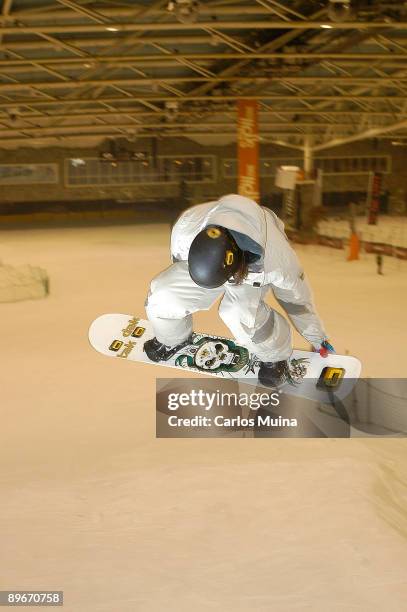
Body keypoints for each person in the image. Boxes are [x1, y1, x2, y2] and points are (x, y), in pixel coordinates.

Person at [144, 193, 334, 386]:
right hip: (207, 262)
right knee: (163, 296)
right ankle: (173, 338)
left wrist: (317, 338)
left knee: (240, 314)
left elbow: (297, 303)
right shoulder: (185, 230)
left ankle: (274, 356)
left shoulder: (277, 262)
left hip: (252, 272)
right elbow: (178, 271)